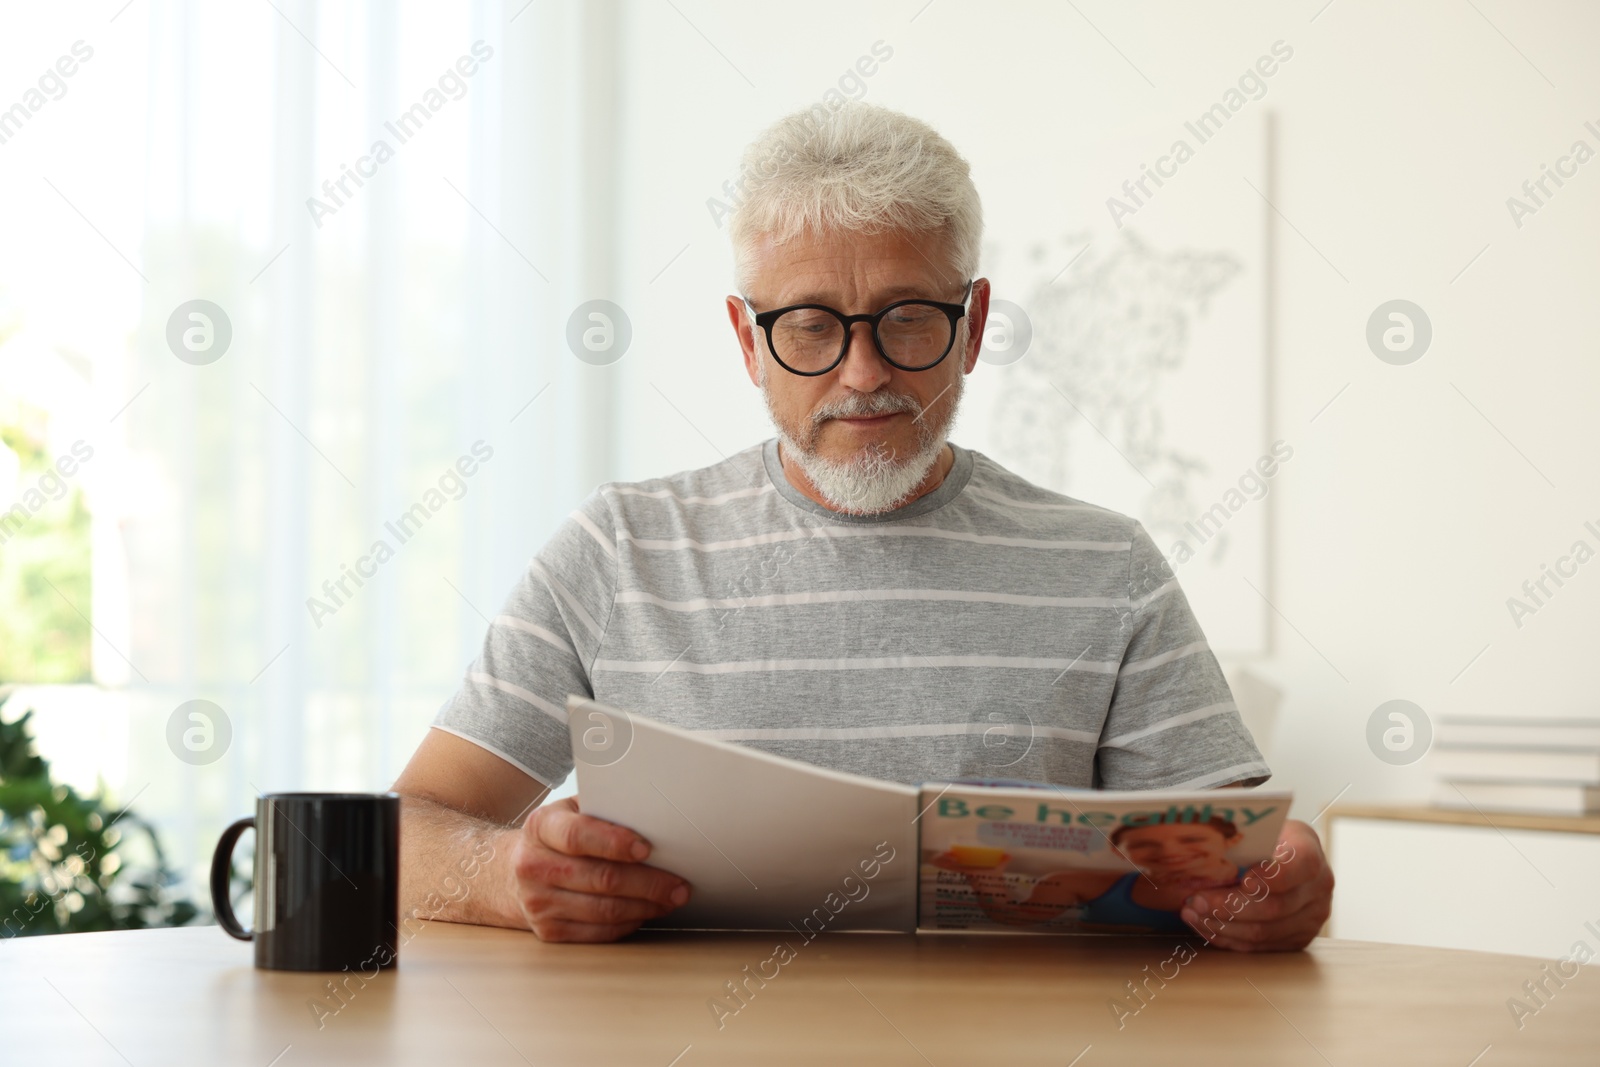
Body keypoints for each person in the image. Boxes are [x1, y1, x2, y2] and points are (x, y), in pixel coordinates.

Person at [391, 101, 1334, 951]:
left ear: (972, 326)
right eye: (809, 325)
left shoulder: (1107, 565)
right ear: (745, 339)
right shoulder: (616, 551)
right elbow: (406, 828)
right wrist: (505, 881)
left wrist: (1284, 879)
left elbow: (1243, 843)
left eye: (908, 318)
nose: (862, 374)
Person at [929, 816, 1253, 934]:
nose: (1169, 853)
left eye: (1192, 839)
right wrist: (987, 876)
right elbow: (1014, 918)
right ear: (1119, 852)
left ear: (1232, 839)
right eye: (1144, 844)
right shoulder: (1083, 882)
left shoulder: (1259, 880)